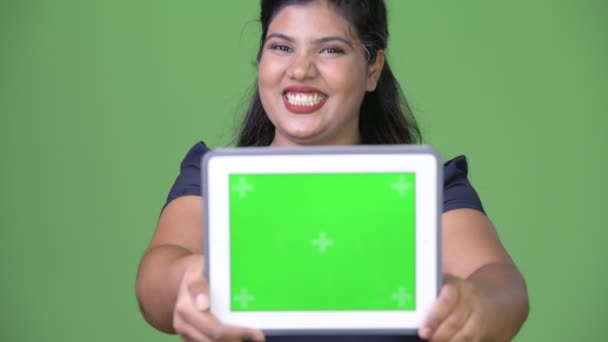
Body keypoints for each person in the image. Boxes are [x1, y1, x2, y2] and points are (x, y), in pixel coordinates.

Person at [135, 0, 530, 341]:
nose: (300, 70)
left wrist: (475, 304)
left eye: (330, 51)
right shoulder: (210, 180)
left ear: (373, 68)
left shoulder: (429, 190)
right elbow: (156, 276)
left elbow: (501, 283)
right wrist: (188, 279)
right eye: (281, 46)